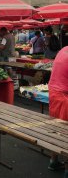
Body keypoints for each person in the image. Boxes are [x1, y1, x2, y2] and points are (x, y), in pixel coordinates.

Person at [47, 46, 68, 176]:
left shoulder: (64, 49)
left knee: (57, 128)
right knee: (65, 132)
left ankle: (53, 161)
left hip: (54, 92)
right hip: (64, 96)